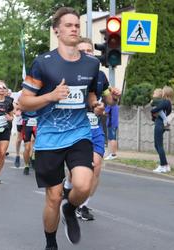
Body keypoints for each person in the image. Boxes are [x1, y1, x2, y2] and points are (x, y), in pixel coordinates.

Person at [18, 7, 104, 250]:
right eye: (68, 25)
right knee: (53, 197)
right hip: (49, 137)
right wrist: (51, 96)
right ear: (57, 30)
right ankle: (50, 243)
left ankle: (72, 207)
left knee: (84, 184)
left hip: (79, 133)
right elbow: (24, 102)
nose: (74, 28)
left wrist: (95, 105)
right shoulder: (43, 63)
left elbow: (90, 96)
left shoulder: (91, 64)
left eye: (77, 25)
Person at [63, 37, 121, 221]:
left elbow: (109, 99)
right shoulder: (66, 74)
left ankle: (83, 206)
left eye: (90, 50)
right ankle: (68, 186)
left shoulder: (100, 75)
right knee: (77, 172)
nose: (88, 54)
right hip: (74, 128)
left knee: (95, 167)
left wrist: (114, 96)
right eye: (84, 51)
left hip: (94, 128)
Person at [151, 86, 174, 173]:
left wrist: (152, 111)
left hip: (159, 124)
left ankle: (162, 165)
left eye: (163, 91)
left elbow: (156, 109)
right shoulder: (168, 103)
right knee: (157, 145)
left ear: (165, 93)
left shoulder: (165, 102)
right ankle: (166, 165)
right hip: (161, 124)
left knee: (159, 145)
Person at [21, 109, 38, 175]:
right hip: (26, 123)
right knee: (27, 147)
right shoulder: (24, 98)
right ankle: (26, 166)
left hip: (37, 123)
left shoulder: (40, 98)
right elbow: (17, 107)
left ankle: (33, 158)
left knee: (38, 145)